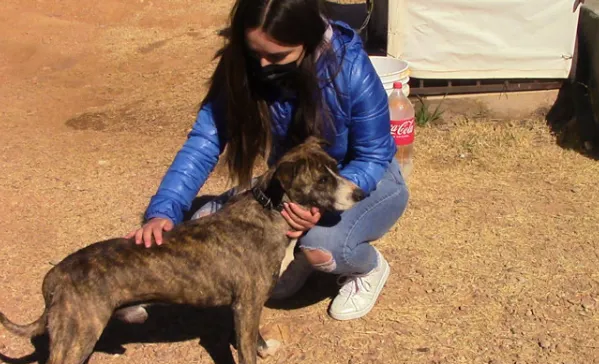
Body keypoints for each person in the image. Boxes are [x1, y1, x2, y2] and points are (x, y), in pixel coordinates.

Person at [124, 0, 409, 322]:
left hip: (365, 180)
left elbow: (374, 155)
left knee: (324, 247)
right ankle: (298, 249)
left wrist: (319, 204)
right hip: (300, 185)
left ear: (309, 41)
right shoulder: (240, 67)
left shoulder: (351, 69)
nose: (261, 65)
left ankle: (367, 268)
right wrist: (164, 210)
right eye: (252, 52)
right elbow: (205, 142)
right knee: (201, 223)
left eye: (276, 56)